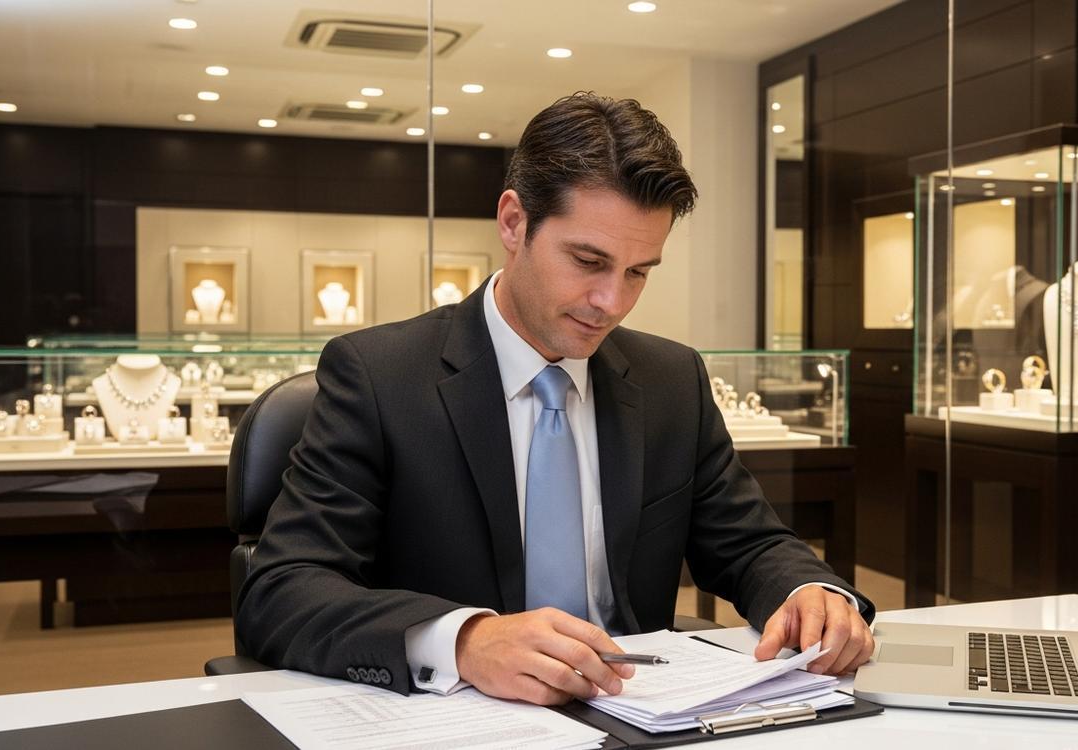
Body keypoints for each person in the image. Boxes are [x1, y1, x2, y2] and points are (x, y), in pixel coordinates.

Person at [236, 92, 874, 705]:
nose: (612, 302)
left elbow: (749, 544)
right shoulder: (380, 377)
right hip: (457, 716)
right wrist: (466, 639)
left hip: (639, 711)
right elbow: (283, 590)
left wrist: (810, 591)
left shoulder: (671, 380)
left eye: (638, 272)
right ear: (514, 223)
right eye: (587, 261)